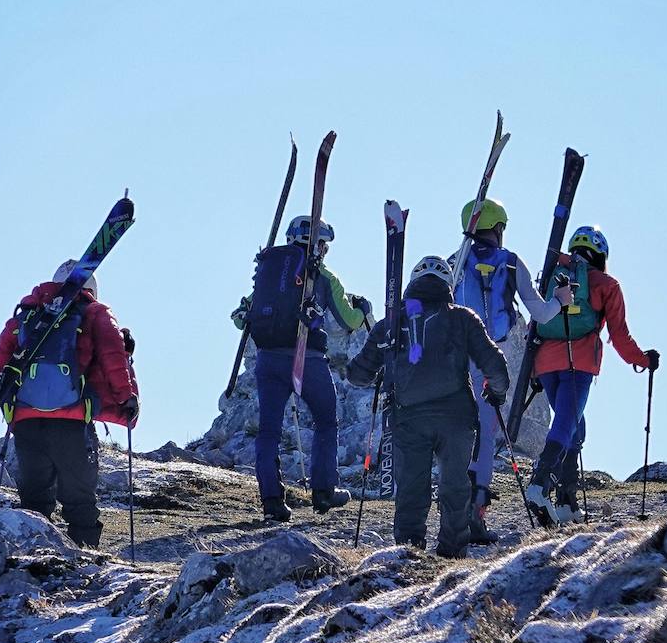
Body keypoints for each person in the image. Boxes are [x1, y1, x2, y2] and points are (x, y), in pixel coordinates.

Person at [347, 256, 510, 558]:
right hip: (457, 417)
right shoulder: (463, 318)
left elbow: (357, 375)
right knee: (455, 483)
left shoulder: (390, 324)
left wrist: (382, 362)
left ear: (412, 282)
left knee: (412, 486)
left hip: (409, 418)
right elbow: (496, 367)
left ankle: (408, 551)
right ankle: (452, 550)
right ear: (448, 284)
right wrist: (496, 393)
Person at [0, 261, 138, 548]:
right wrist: (126, 396)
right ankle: (85, 555)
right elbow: (112, 356)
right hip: (72, 423)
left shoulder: (25, 318)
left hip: (27, 423)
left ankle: (32, 554)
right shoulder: (95, 313)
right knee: (79, 495)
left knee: (34, 497)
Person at [232, 216, 371, 521]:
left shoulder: (270, 271)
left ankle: (272, 500)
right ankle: (324, 490)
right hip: (305, 356)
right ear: (316, 243)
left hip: (269, 359)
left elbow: (241, 316)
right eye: (324, 243)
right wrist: (363, 310)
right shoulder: (323, 275)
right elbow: (348, 320)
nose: (325, 250)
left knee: (268, 430)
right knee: (326, 419)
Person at [450, 198, 573, 544]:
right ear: (498, 227)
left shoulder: (455, 262)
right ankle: (476, 513)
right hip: (494, 357)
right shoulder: (512, 263)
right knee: (485, 434)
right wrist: (561, 300)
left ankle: (455, 509)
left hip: (458, 357)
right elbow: (541, 312)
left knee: (460, 431)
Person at [525, 226, 660, 525]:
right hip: (580, 362)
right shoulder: (606, 284)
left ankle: (567, 502)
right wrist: (644, 360)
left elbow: (536, 321)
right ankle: (539, 484)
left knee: (575, 426)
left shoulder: (551, 275)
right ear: (602, 255)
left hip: (546, 363)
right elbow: (620, 337)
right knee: (566, 422)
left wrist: (532, 369)